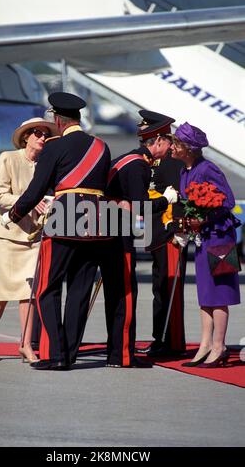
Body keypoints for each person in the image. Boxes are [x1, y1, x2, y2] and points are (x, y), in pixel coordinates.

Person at [2, 92, 112, 370]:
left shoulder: (54, 147)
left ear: (58, 120)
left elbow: (37, 189)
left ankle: (55, 354)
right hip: (96, 224)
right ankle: (70, 354)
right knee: (79, 291)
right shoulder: (101, 146)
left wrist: (14, 214)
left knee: (46, 289)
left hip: (63, 220)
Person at [103, 109, 178, 367]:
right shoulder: (138, 165)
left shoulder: (128, 159)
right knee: (125, 294)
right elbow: (141, 205)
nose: (170, 146)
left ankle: (116, 351)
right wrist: (164, 199)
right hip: (118, 234)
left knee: (116, 294)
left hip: (111, 230)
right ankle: (122, 355)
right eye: (168, 141)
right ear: (157, 141)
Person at [0, 117, 59, 362]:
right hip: (6, 235)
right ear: (26, 136)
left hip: (32, 235)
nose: (42, 137)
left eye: (45, 134)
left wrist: (50, 203)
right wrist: (27, 200)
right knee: (2, 293)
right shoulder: (8, 158)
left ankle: (25, 344)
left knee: (29, 294)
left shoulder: (46, 164)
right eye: (37, 133)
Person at [171, 122, 241, 368]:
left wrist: (205, 218)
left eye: (176, 143)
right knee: (205, 294)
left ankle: (219, 345)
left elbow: (228, 201)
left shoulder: (207, 168)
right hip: (203, 238)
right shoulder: (184, 171)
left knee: (219, 293)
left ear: (187, 148)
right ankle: (205, 344)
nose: (172, 147)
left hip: (220, 237)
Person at [138, 115, 187, 357]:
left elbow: (181, 197)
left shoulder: (174, 163)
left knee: (170, 290)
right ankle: (161, 338)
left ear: (162, 137)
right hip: (154, 230)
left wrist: (178, 228)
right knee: (159, 288)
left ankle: (173, 342)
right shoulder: (152, 161)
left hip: (169, 233)